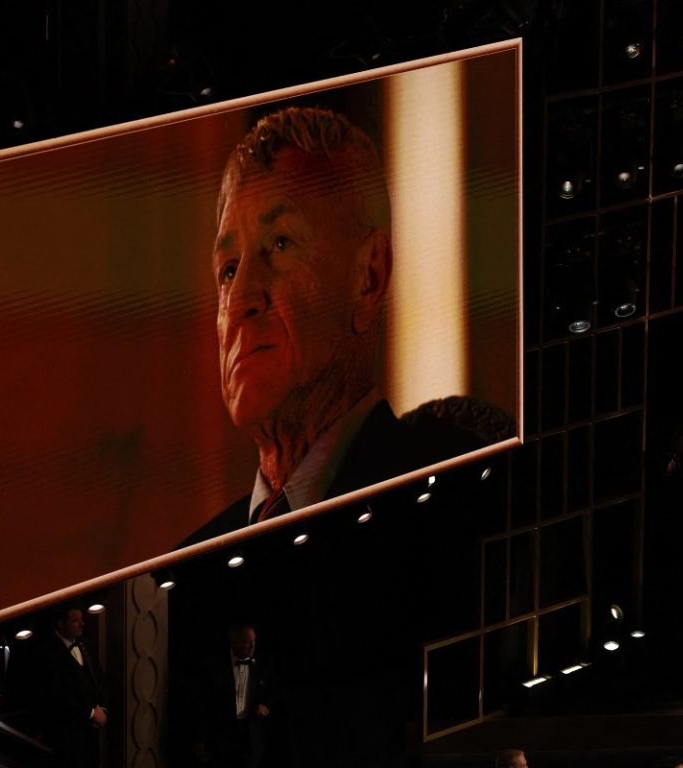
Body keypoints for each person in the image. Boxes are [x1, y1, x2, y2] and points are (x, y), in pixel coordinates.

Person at [192, 105, 496, 541]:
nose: (240, 299)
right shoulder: (194, 561)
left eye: (280, 243)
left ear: (368, 277)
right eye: (228, 269)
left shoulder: (460, 498)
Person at [190, 621, 275, 767]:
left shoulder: (262, 664)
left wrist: (265, 704)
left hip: (251, 737)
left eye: (254, 641)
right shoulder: (213, 668)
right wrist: (199, 739)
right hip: (222, 739)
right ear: (233, 642)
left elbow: (273, 691)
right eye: (246, 642)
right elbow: (201, 704)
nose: (252, 646)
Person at [36, 604, 107, 768]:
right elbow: (57, 696)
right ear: (60, 623)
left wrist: (102, 709)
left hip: (91, 734)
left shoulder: (85, 644)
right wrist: (91, 713)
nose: (82, 624)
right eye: (75, 620)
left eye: (81, 619)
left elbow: (99, 678)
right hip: (66, 738)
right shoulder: (48, 653)